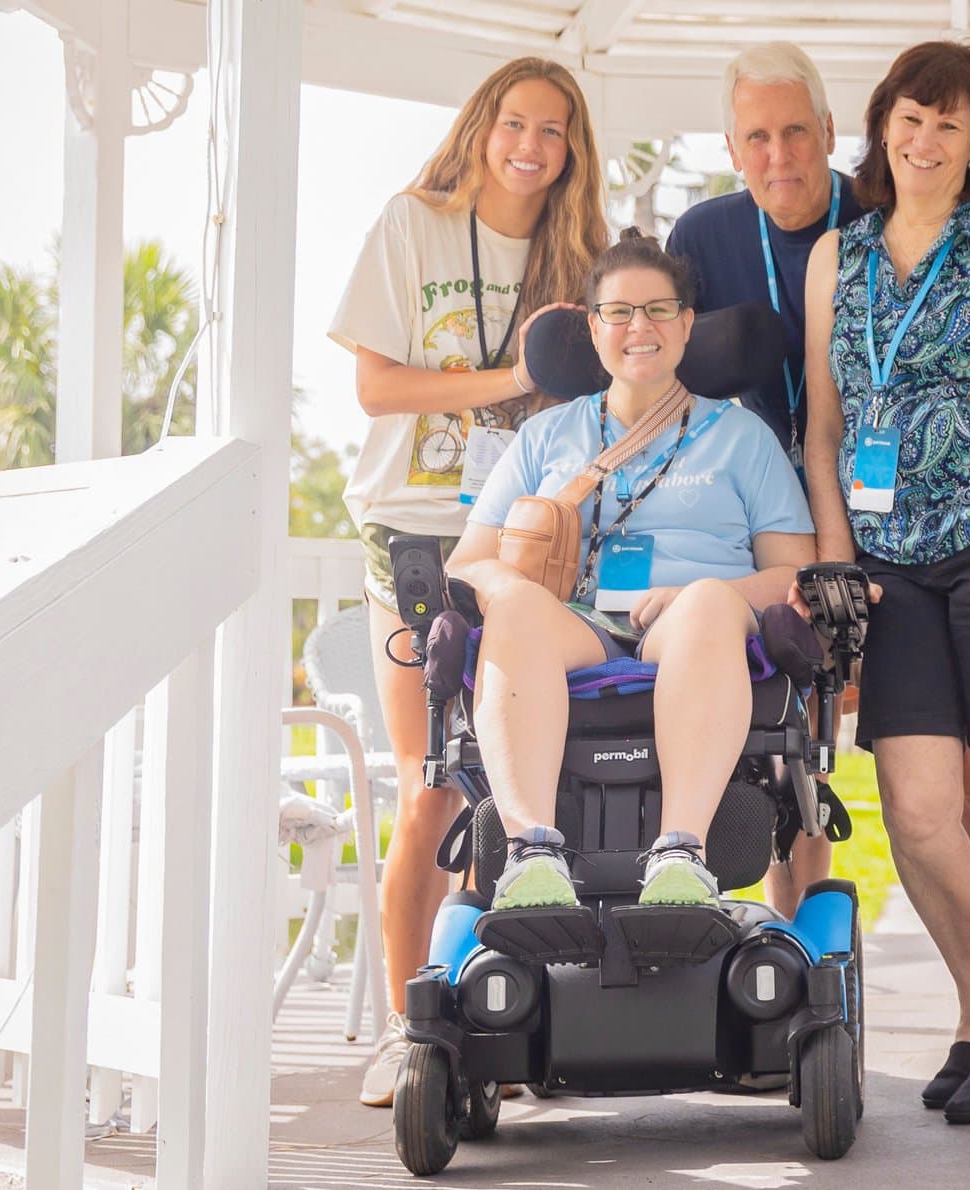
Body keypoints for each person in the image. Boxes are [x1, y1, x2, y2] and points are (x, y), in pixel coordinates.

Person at [666, 43, 970, 1012]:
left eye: (795, 130)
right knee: (807, 763)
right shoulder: (723, 235)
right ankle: (795, 987)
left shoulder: (946, 229)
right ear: (730, 146)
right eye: (755, 136)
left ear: (835, 133)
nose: (778, 153)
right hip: (796, 532)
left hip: (951, 530)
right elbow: (651, 349)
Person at [802, 40, 970, 1125]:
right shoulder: (839, 256)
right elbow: (822, 435)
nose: (924, 140)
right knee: (917, 812)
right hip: (884, 570)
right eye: (911, 117)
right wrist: (837, 567)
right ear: (882, 123)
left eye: (950, 127)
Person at [328, 56, 609, 1107]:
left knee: (529, 780)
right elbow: (375, 385)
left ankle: (506, 1021)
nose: (529, 145)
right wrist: (514, 379)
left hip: (524, 541)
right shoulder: (414, 225)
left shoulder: (574, 253)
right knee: (431, 782)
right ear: (482, 125)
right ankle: (414, 1025)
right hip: (412, 527)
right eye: (514, 123)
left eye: (553, 130)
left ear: (572, 149)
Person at [449, 228, 816, 912]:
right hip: (576, 625)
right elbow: (468, 562)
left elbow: (793, 573)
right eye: (618, 312)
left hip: (693, 630)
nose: (637, 327)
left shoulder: (741, 437)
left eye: (657, 309)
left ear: (685, 325)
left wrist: (699, 594)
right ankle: (532, 853)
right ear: (593, 329)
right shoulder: (545, 436)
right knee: (516, 606)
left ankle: (680, 852)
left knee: (708, 601)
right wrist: (512, 591)